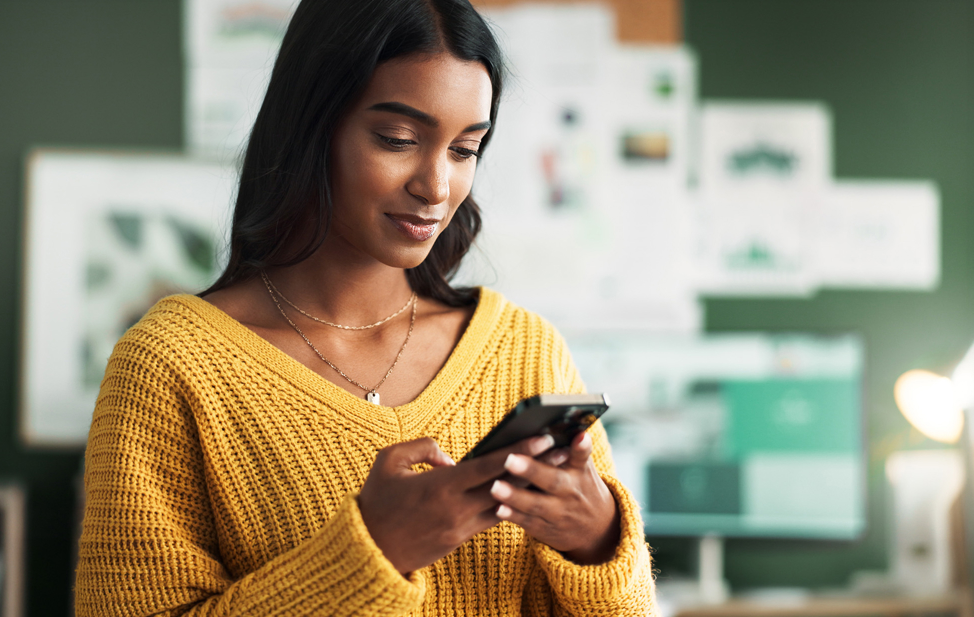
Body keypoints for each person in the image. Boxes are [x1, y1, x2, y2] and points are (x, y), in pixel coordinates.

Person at [74, 0, 656, 614]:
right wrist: (370, 553)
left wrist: (597, 543)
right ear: (311, 127)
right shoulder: (171, 365)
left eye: (465, 150)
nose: (435, 187)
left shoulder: (525, 351)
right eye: (398, 139)